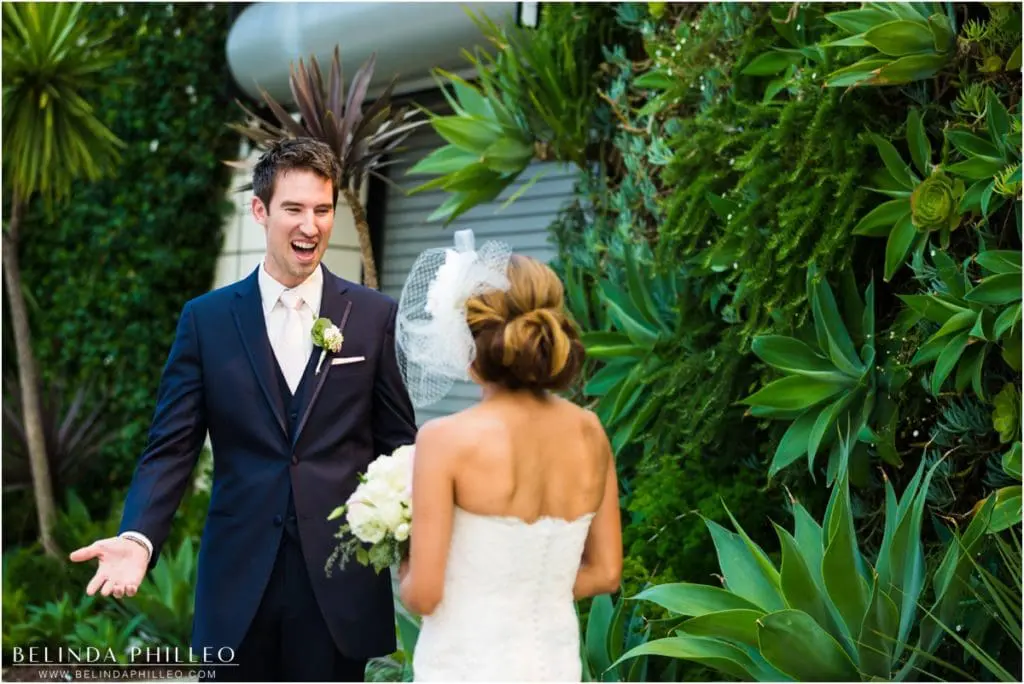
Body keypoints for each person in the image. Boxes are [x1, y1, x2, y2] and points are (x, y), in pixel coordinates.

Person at [69, 137, 417, 682]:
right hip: (237, 585)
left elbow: (400, 447)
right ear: (260, 210)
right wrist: (138, 538)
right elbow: (171, 447)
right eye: (294, 209)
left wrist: (417, 538)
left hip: (338, 586)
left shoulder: (372, 315)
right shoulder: (205, 321)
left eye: (322, 210)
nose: (311, 226)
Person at [393, 231, 623, 681]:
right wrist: (532, 594)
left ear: (469, 338)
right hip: (553, 667)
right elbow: (606, 572)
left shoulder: (445, 439)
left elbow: (424, 595)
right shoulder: (590, 431)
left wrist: (403, 560)